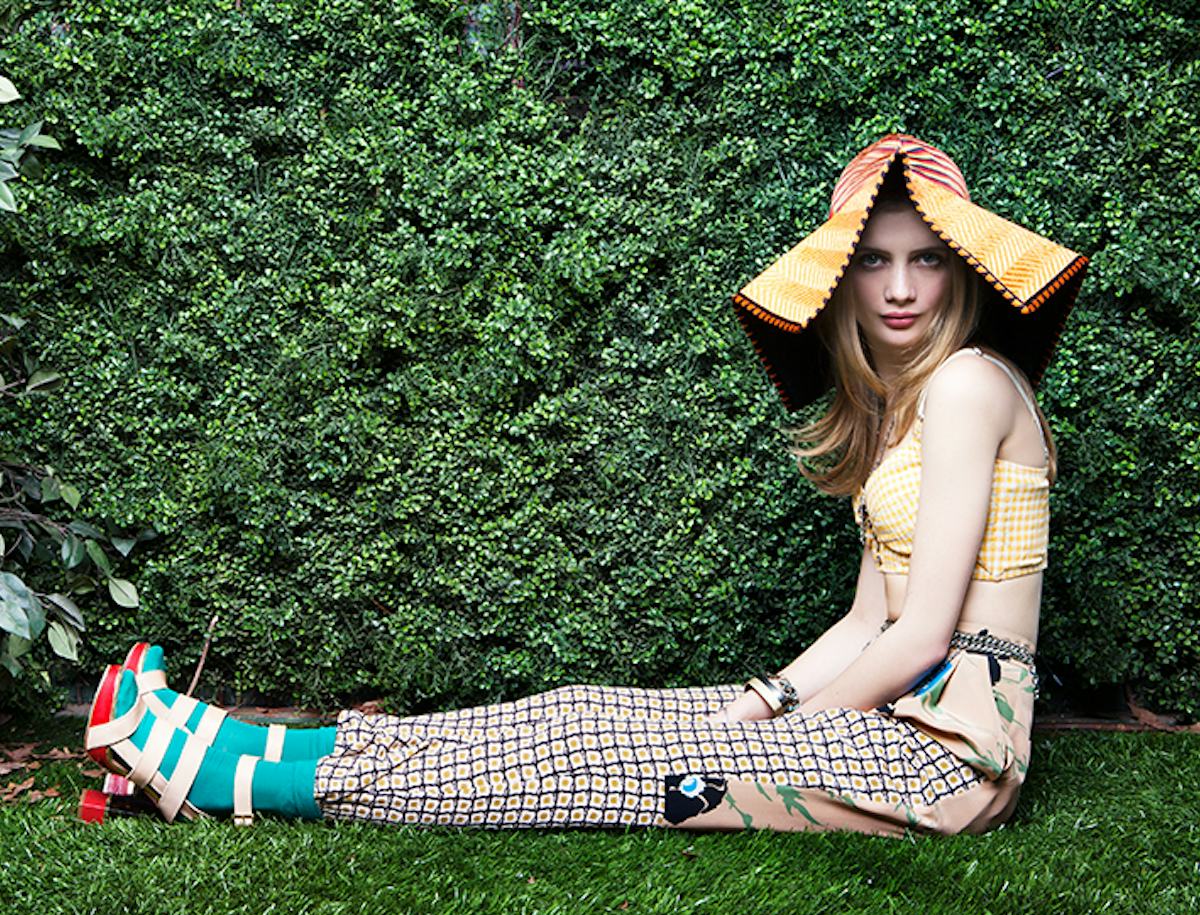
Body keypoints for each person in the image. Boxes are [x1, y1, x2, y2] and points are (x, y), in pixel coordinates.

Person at [83, 134, 1088, 835]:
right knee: (582, 709)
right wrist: (765, 696)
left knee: (599, 763)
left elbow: (922, 637)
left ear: (960, 270)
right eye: (875, 260)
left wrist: (787, 734)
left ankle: (226, 779)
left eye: (924, 260)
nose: (902, 288)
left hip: (948, 760)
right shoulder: (901, 407)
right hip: (892, 715)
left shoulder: (966, 386)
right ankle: (241, 747)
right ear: (845, 280)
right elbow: (874, 616)